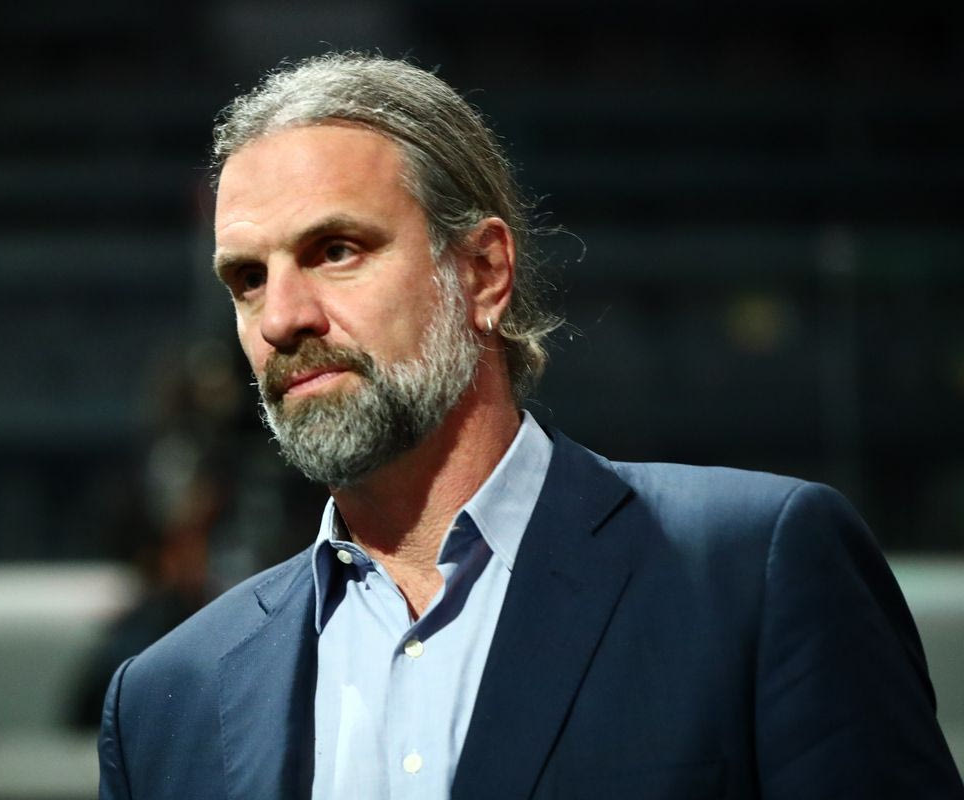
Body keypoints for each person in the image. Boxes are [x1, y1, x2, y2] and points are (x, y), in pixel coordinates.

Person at [99, 53, 963, 799]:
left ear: (483, 272)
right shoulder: (165, 703)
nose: (283, 317)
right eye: (248, 279)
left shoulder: (755, 572)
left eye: (336, 251)